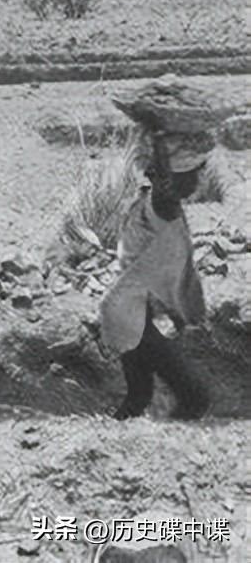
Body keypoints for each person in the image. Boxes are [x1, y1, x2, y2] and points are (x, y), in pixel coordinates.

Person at [100, 124, 211, 420]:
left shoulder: (169, 208)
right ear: (163, 180)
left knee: (139, 397)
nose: (198, 180)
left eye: (198, 172)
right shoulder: (158, 208)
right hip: (130, 317)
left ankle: (114, 439)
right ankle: (175, 447)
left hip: (126, 312)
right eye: (189, 174)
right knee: (196, 396)